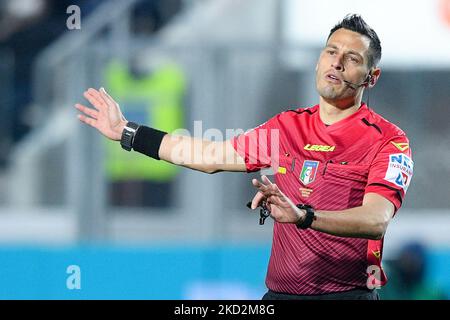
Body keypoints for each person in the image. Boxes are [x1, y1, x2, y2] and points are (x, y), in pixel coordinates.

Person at [75, 14, 414, 300]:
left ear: (372, 77)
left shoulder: (389, 141)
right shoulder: (287, 127)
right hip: (279, 295)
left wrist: (303, 216)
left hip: (347, 295)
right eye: (331, 51)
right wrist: (128, 132)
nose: (337, 62)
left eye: (352, 58)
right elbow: (209, 156)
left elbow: (376, 219)